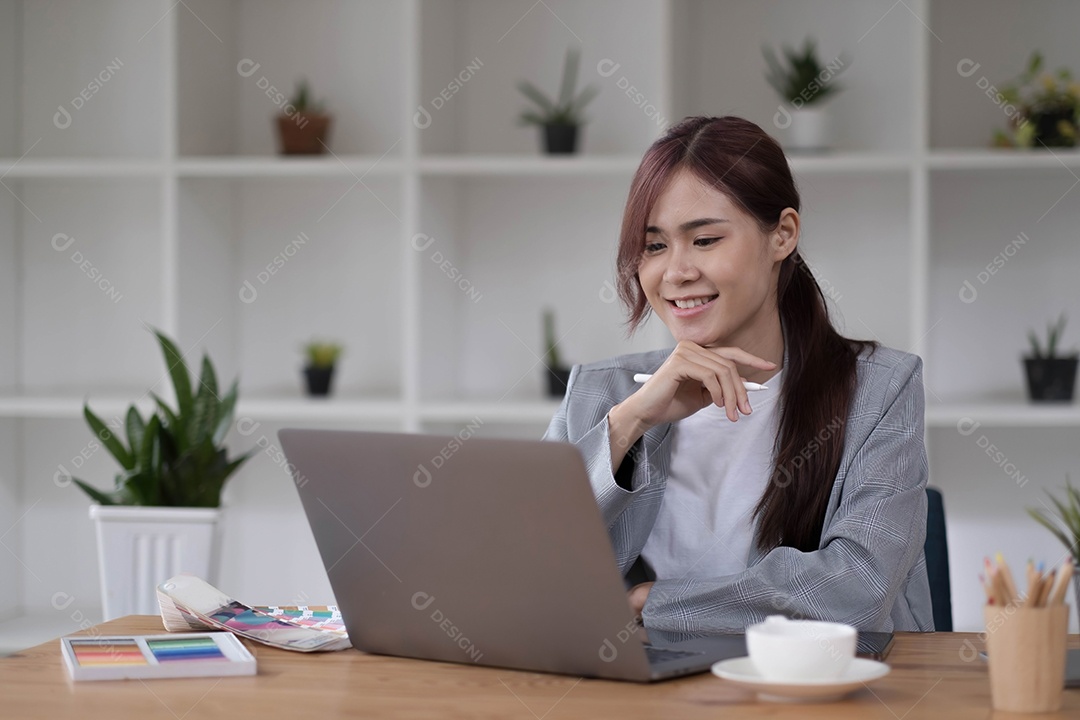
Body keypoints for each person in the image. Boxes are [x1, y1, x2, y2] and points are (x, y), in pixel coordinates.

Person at [543, 116, 934, 633]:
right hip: (638, 692)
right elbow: (522, 563)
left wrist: (663, 604)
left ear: (783, 235)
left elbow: (857, 587)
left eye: (704, 239)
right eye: (655, 246)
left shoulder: (880, 389)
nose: (676, 272)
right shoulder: (603, 395)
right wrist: (627, 426)